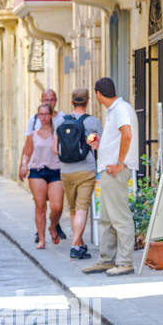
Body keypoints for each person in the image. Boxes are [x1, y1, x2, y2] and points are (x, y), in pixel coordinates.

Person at [92, 77, 139, 277]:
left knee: (119, 216)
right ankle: (106, 259)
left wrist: (120, 163)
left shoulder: (120, 109)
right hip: (109, 169)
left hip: (115, 171)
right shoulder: (114, 110)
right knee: (106, 218)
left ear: (98, 94)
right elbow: (120, 137)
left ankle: (125, 261)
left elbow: (126, 134)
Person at [58, 88, 104, 264]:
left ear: (71, 102)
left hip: (66, 171)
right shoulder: (93, 122)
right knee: (82, 207)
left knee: (73, 209)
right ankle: (75, 245)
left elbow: (56, 149)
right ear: (87, 101)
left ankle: (79, 243)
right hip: (86, 169)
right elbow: (98, 146)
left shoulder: (61, 122)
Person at [21, 89, 66, 241]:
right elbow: (27, 149)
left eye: (52, 99)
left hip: (56, 170)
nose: (44, 117)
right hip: (37, 170)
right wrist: (23, 165)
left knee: (57, 206)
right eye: (41, 114)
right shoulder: (33, 126)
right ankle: (41, 238)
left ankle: (53, 225)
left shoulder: (61, 123)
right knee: (40, 206)